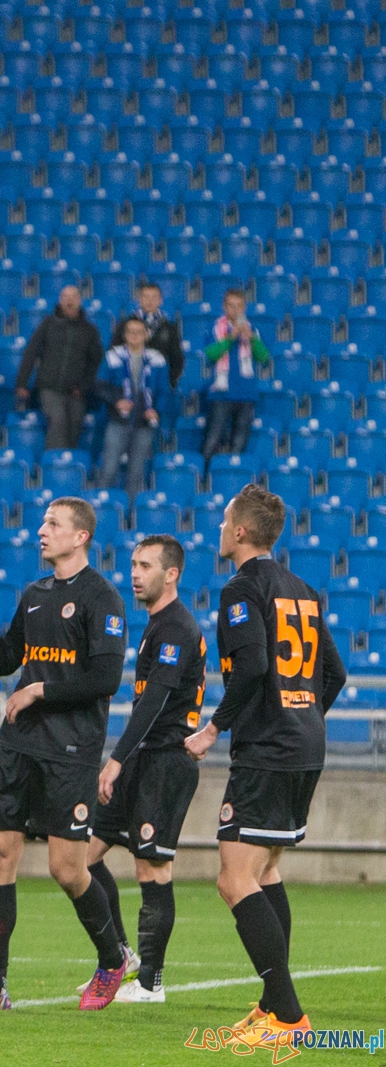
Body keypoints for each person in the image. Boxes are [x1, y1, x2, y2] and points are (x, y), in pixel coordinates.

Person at [0, 496, 130, 1013]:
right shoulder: (34, 594)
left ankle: (113, 959)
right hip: (20, 743)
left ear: (81, 536)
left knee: (67, 870)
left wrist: (39, 691)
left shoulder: (103, 597)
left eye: (53, 523)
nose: (41, 530)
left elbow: (105, 678)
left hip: (71, 749)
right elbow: (7, 659)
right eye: (42, 522)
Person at [184, 485, 345, 1046]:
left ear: (241, 531)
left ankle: (290, 1018)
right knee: (265, 872)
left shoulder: (241, 588)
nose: (219, 528)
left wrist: (212, 729)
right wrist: (302, 717)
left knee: (233, 880)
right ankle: (273, 1004)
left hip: (268, 751)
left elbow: (251, 666)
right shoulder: (303, 590)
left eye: (224, 519)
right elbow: (336, 674)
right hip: (305, 745)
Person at [86, 535, 206, 1004]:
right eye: (133, 564)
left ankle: (151, 982)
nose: (134, 573)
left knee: (152, 867)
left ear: (171, 574)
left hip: (164, 761)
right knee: (83, 856)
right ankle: (121, 954)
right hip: (141, 757)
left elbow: (155, 701)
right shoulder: (157, 624)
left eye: (146, 566)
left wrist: (115, 758)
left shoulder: (177, 627)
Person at [15, 285, 105, 450]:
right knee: (58, 419)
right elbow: (31, 353)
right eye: (65, 297)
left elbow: (96, 363)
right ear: (60, 301)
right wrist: (22, 383)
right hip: (48, 387)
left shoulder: (90, 330)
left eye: (73, 297)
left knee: (76, 422)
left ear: (80, 301)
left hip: (76, 391)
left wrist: (83, 387)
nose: (69, 301)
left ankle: (68, 460)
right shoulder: (47, 324)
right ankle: (55, 460)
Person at [95, 317, 170, 495]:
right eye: (130, 332)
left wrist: (156, 411)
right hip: (117, 421)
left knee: (136, 474)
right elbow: (100, 386)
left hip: (144, 424)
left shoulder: (156, 359)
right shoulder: (113, 356)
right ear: (125, 335)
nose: (135, 335)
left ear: (146, 335)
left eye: (139, 332)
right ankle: (102, 508)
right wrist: (116, 401)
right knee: (109, 470)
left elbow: (164, 391)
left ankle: (131, 512)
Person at [201, 290, 271, 461]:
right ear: (224, 307)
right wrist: (231, 337)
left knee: (239, 444)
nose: (235, 309)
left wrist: (252, 339)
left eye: (239, 306)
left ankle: (233, 475)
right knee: (212, 442)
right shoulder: (215, 329)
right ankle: (205, 476)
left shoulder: (252, 330)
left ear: (244, 307)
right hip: (221, 394)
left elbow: (263, 357)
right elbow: (210, 354)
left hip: (246, 394)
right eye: (231, 305)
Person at [125, 282, 184, 389]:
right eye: (146, 297)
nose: (150, 301)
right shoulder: (126, 324)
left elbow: (177, 360)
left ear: (160, 300)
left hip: (160, 385)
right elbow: (116, 351)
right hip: (130, 385)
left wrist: (167, 383)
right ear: (139, 299)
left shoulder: (169, 327)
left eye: (154, 297)